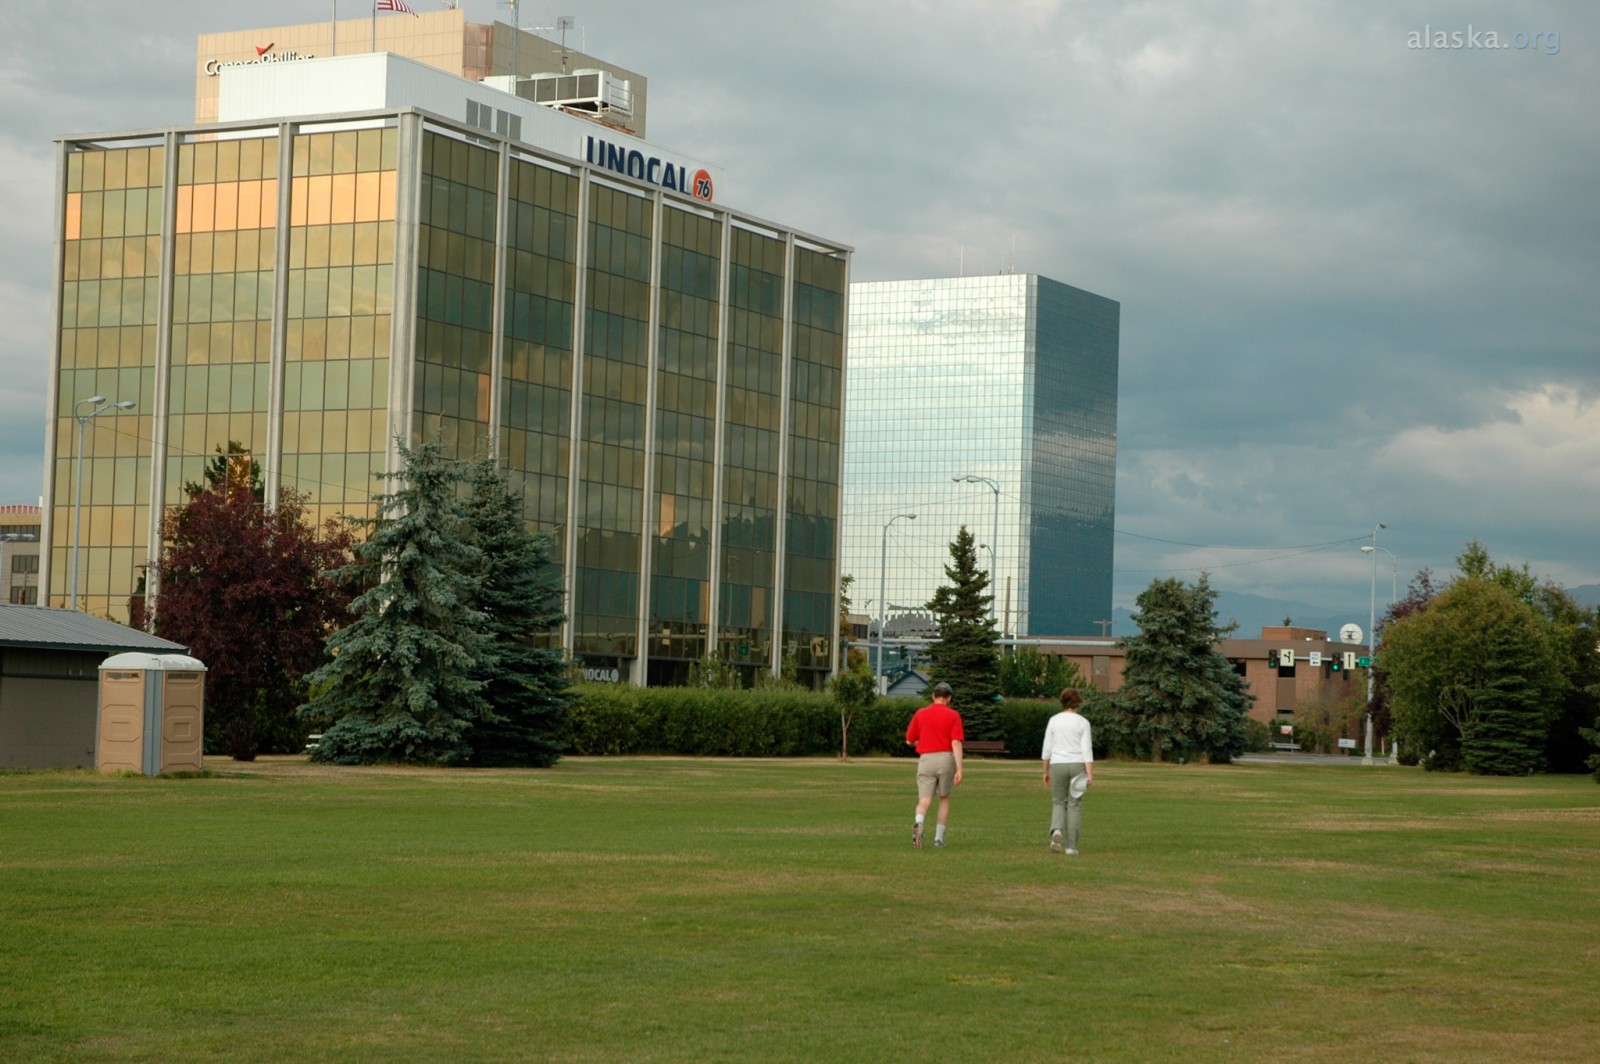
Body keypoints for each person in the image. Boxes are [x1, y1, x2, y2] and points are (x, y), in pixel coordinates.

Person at [905, 682, 964, 848]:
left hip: (926, 759)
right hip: (945, 758)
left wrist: (922, 742)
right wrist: (959, 768)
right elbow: (956, 742)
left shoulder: (921, 713)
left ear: (933, 696)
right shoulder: (953, 716)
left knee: (924, 800)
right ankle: (938, 839)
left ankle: (919, 822)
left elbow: (909, 739)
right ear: (949, 698)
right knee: (944, 797)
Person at [1040, 687, 1094, 855]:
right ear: (1077, 703)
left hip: (1057, 764)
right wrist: (1089, 774)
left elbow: (1047, 748)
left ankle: (1057, 830)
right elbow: (1087, 749)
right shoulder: (1083, 722)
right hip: (1077, 764)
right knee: (1075, 805)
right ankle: (1071, 846)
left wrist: (1045, 770)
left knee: (1058, 801)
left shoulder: (1054, 720)